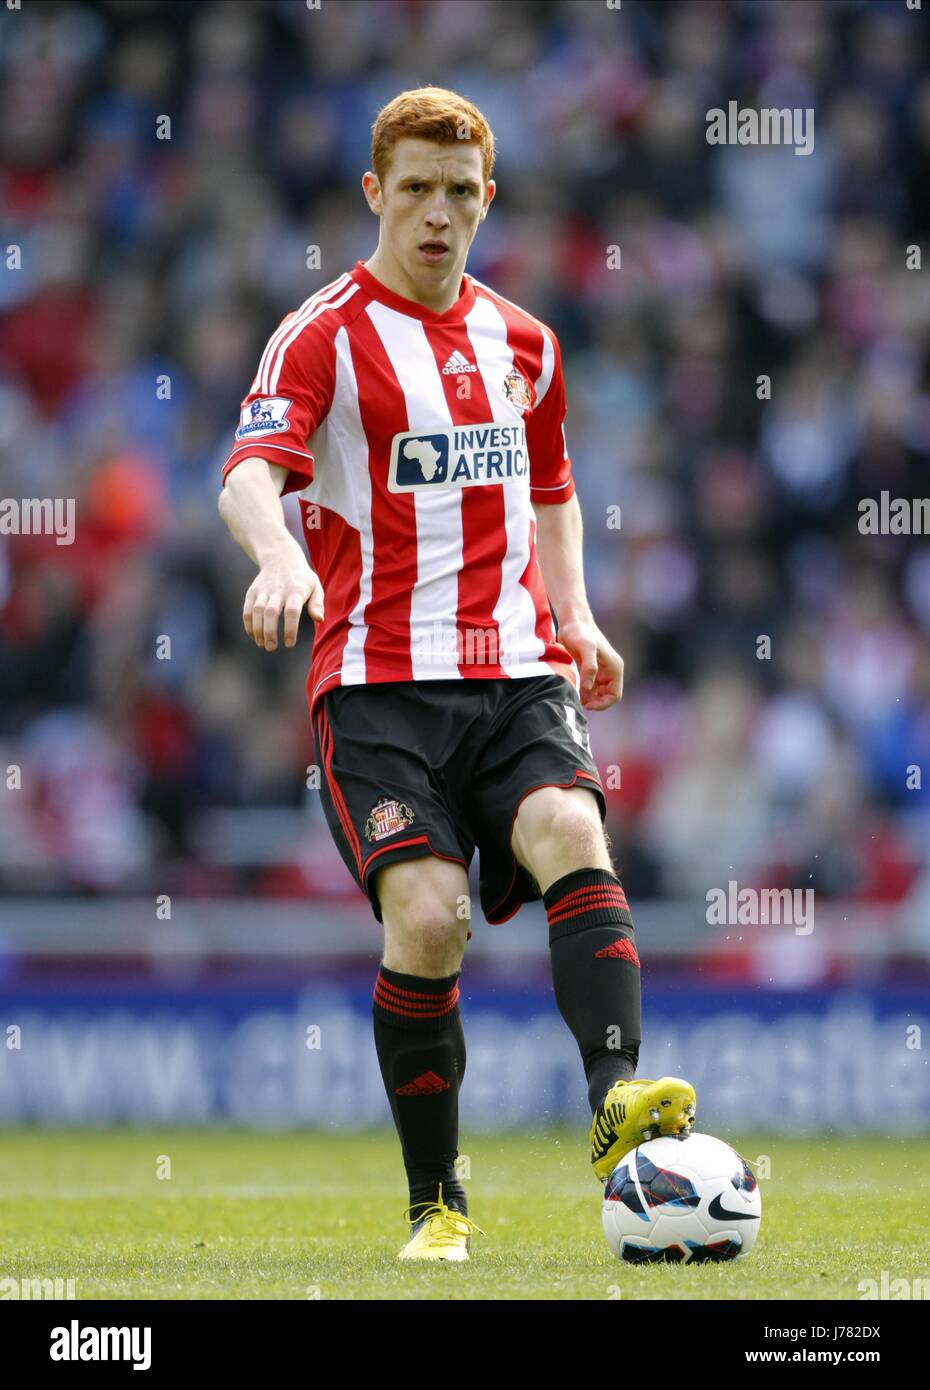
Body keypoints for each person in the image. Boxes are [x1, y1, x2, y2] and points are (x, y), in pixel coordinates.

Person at [218, 86, 696, 1262]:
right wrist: (278, 554)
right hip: (379, 686)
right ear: (376, 194)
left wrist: (577, 614)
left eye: (461, 192)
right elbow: (245, 474)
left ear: (490, 200)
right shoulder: (321, 334)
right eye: (417, 189)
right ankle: (437, 1202)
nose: (439, 213)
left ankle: (615, 1103)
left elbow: (553, 490)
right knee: (427, 918)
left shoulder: (524, 342)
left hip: (518, 668)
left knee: (569, 828)